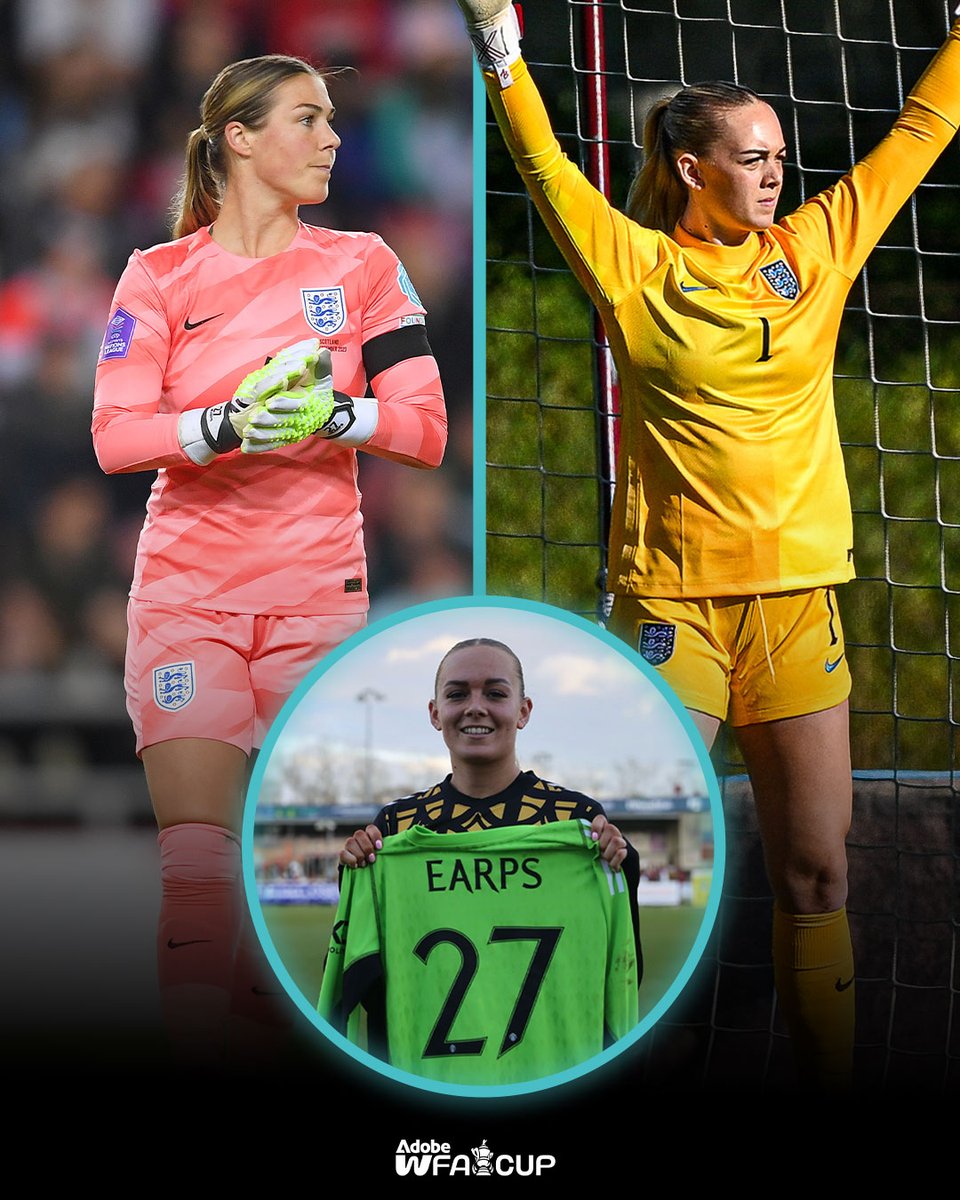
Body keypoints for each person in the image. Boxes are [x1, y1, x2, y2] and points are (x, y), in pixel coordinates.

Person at [456, 1, 960, 1087]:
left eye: (781, 156)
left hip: (794, 612)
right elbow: (540, 159)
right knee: (621, 867)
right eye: (752, 157)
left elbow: (916, 134)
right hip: (669, 615)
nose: (777, 174)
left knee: (819, 876)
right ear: (690, 168)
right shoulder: (633, 269)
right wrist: (498, 34)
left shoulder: (815, 252)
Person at [91, 53, 447, 1064]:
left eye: (331, 119)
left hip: (316, 606)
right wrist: (223, 425)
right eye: (307, 118)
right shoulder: (157, 276)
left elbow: (427, 429)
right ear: (239, 140)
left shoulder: (366, 264)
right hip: (188, 600)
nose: (333, 138)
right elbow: (116, 438)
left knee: (305, 886)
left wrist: (336, 410)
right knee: (199, 871)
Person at [331, 637, 642, 1082]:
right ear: (435, 713)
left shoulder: (577, 822)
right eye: (457, 694)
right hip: (426, 1076)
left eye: (495, 693)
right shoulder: (396, 827)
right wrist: (354, 870)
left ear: (524, 710)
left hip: (550, 1072)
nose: (475, 707)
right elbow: (362, 970)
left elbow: (623, 965)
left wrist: (621, 862)